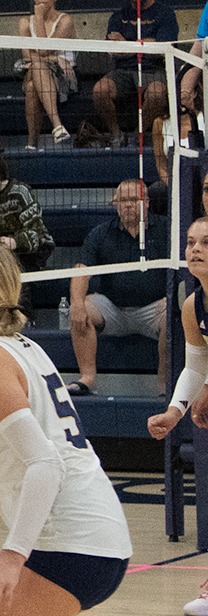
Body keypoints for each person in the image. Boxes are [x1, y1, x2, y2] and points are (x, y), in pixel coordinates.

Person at [0, 239, 132, 616]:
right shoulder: (15, 346)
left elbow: (46, 463)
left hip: (69, 545)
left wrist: (11, 555)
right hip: (92, 542)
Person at [149, 218, 208, 616]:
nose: (195, 249)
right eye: (190, 242)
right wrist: (175, 411)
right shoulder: (193, 304)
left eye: (206, 242)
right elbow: (196, 364)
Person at [69, 179, 166, 396]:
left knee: (173, 316)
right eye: (122, 200)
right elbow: (81, 269)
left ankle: (164, 386)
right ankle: (87, 379)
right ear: (115, 204)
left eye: (134, 199)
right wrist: (76, 303)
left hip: (154, 309)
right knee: (82, 307)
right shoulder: (101, 233)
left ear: (147, 202)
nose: (128, 205)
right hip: (113, 309)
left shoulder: (166, 229)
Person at [93, 0, 177, 147]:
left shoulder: (165, 13)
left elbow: (161, 47)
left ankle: (137, 134)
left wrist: (127, 43)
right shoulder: (117, 17)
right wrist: (143, 43)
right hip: (123, 70)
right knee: (99, 90)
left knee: (157, 93)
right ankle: (116, 135)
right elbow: (112, 49)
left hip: (153, 69)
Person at [0, 147, 53, 278]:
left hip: (31, 253)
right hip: (1, 255)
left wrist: (15, 242)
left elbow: (37, 233)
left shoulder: (20, 193)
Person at [14, 0, 76, 148]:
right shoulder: (25, 22)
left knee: (32, 87)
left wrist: (39, 17)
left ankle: (32, 143)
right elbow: (27, 56)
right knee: (36, 69)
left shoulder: (65, 21)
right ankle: (57, 126)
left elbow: (41, 50)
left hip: (63, 75)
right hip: (37, 69)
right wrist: (56, 58)